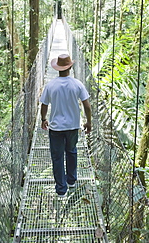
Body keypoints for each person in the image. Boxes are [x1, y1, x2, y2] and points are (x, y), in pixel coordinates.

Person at [40, 53, 91, 197]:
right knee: (72, 152)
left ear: (57, 68)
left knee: (57, 157)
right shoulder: (77, 84)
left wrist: (43, 119)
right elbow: (87, 105)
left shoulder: (50, 85)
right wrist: (89, 122)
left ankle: (61, 190)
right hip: (73, 126)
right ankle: (72, 181)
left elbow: (44, 104)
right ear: (71, 67)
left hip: (56, 128)